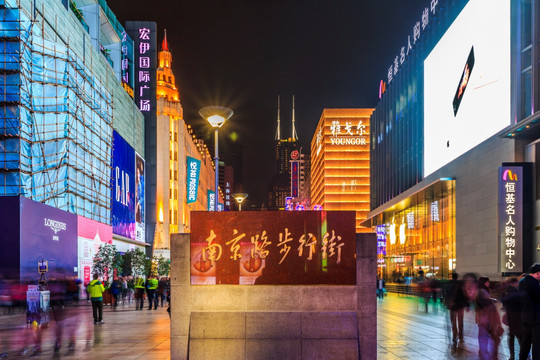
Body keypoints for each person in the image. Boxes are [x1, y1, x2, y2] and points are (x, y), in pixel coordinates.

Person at [475, 276, 503, 360]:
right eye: (487, 282)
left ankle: (483, 350)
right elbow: (485, 301)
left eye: (488, 282)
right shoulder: (481, 291)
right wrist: (493, 300)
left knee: (484, 333)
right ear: (483, 282)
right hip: (484, 316)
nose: (488, 283)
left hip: (485, 316)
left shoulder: (483, 290)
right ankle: (485, 351)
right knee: (485, 334)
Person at [519, 263, 540, 360]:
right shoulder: (534, 283)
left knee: (526, 340)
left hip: (525, 315)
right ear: (538, 273)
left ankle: (522, 358)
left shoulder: (522, 281)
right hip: (535, 317)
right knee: (537, 341)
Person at [501, 277, 523, 360]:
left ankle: (512, 355)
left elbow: (503, 302)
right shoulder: (516, 292)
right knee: (520, 336)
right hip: (518, 316)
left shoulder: (505, 292)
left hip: (509, 316)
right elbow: (521, 303)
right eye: (517, 283)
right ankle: (523, 354)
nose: (517, 284)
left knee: (511, 336)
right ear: (513, 283)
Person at [444, 272, 468, 347]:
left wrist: (446, 302)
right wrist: (466, 304)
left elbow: (446, 294)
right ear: (457, 277)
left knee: (453, 321)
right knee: (460, 320)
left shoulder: (448, 284)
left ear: (452, 277)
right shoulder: (460, 284)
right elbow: (465, 295)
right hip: (460, 305)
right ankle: (460, 335)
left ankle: (455, 335)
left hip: (452, 305)